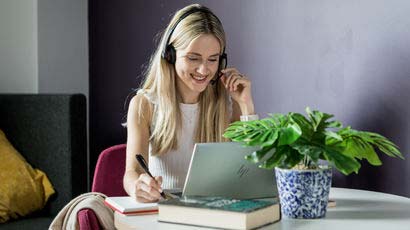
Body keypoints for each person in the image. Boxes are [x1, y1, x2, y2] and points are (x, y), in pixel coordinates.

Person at [123, 4, 259, 203]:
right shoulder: (144, 105)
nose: (204, 70)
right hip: (164, 211)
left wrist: (246, 105)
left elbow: (254, 173)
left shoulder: (228, 105)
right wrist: (138, 186)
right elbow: (132, 172)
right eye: (193, 58)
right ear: (170, 55)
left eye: (213, 59)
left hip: (214, 212)